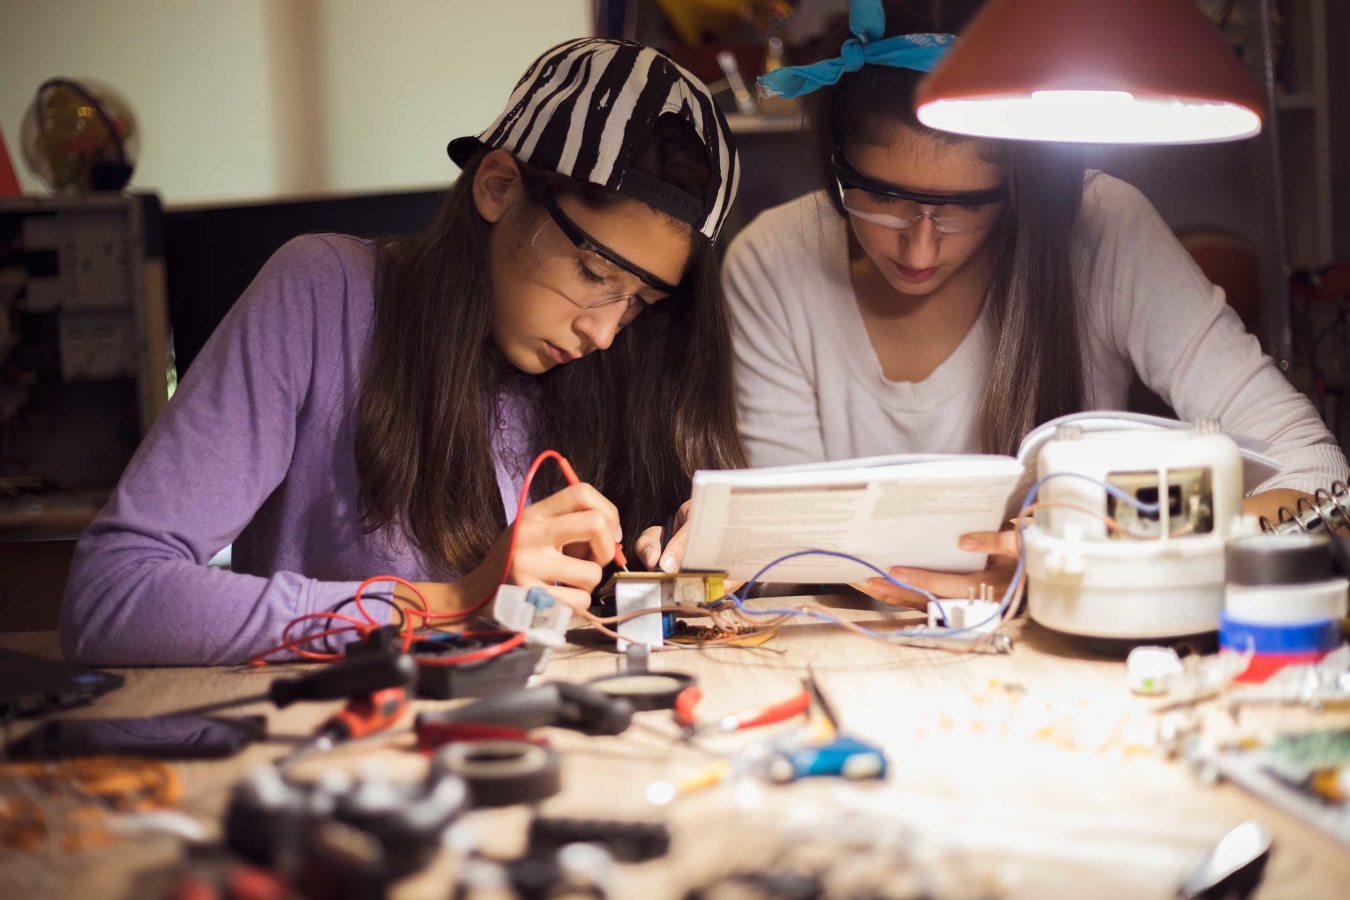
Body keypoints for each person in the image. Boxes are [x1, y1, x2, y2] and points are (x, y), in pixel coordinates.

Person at [61, 38, 743, 665]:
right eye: (593, 274)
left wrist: (699, 568)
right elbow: (112, 597)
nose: (604, 333)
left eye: (640, 301)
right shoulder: (324, 295)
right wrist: (453, 603)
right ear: (499, 187)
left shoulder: (635, 354)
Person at [725, 0, 1348, 606]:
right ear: (835, 166)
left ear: (1018, 182)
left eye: (966, 206)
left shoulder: (1102, 226)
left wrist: (1121, 552)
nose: (920, 247)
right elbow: (785, 564)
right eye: (884, 199)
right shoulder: (774, 261)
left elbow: (1326, 484)